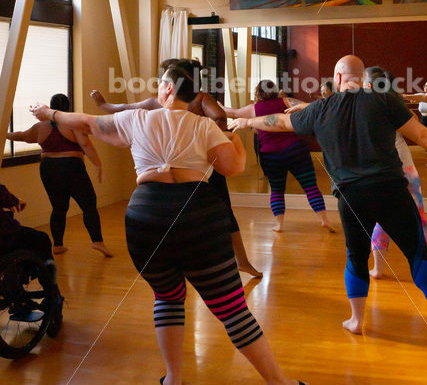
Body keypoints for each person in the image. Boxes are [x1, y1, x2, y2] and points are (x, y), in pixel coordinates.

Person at [31, 65, 306, 385]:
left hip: (145, 219)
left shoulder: (136, 120)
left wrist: (48, 112)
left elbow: (84, 121)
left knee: (168, 297)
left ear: (168, 90)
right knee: (232, 309)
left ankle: (173, 379)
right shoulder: (204, 127)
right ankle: (279, 383)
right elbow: (233, 167)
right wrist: (236, 140)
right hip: (198, 218)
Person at [229, 55, 427, 337]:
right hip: (391, 191)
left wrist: (247, 123)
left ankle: (357, 321)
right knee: (417, 254)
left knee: (356, 259)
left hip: (351, 197)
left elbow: (280, 122)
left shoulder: (320, 109)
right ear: (362, 76)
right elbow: (421, 135)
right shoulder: (384, 100)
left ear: (338, 77)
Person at [90, 58, 261, 278]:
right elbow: (123, 108)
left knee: (219, 213)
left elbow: (219, 117)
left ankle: (241, 261)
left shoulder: (197, 98)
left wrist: (210, 136)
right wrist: (103, 105)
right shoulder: (172, 101)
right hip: (194, 166)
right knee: (210, 214)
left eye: (165, 77)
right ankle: (224, 261)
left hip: (199, 165)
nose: (162, 83)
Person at [363, 67, 427, 280]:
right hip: (399, 170)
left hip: (385, 172)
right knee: (415, 219)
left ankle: (379, 268)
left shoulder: (369, 106)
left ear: (370, 85)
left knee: (383, 220)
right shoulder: (389, 104)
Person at [221, 80, 334, 233]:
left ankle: (279, 225)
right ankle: (324, 220)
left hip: (271, 155)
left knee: (276, 190)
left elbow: (233, 113)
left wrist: (220, 107)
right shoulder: (287, 101)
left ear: (258, 93)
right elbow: (311, 108)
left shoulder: (254, 108)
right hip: (296, 151)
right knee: (310, 186)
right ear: (275, 91)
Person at [6, 94, 112, 257]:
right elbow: (85, 144)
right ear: (68, 107)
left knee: (59, 207)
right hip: (71, 167)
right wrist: (98, 164)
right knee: (88, 204)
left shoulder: (40, 126)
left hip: (48, 168)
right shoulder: (72, 123)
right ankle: (97, 241)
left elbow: (21, 135)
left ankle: (58, 245)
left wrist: (4, 134)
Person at [0, 183, 63, 324]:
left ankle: (16, 287)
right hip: (5, 239)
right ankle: (54, 295)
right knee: (42, 240)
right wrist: (16, 201)